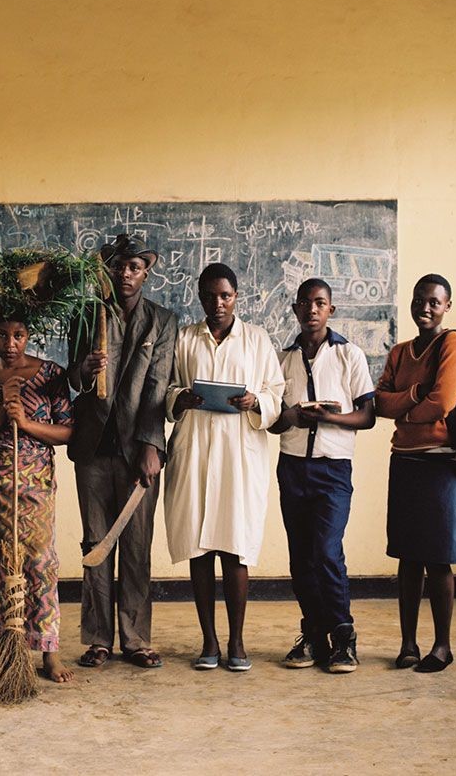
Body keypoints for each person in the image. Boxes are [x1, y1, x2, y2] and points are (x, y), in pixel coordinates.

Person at [164, 263, 284, 672]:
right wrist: (180, 398)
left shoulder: (256, 339)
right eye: (210, 296)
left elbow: (275, 393)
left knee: (235, 546)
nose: (218, 303)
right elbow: (166, 387)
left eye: (225, 296)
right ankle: (208, 641)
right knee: (200, 546)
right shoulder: (184, 339)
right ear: (199, 297)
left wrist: (256, 403)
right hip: (195, 448)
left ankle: (236, 641)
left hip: (239, 453)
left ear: (237, 297)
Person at [68, 233, 178, 669]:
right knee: (96, 544)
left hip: (138, 450)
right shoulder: (85, 315)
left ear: (145, 272)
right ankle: (97, 638)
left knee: (135, 545)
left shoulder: (162, 321)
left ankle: (136, 638)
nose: (125, 273)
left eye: (134, 267)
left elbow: (158, 386)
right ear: (106, 271)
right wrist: (83, 368)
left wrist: (153, 446)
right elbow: (72, 383)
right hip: (93, 449)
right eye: (117, 266)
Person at [269, 278, 375, 673]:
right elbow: (274, 422)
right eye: (305, 303)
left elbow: (367, 415)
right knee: (301, 557)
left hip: (332, 468)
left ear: (331, 309)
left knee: (327, 552)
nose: (312, 310)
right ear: (295, 309)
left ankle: (343, 637)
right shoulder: (284, 359)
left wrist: (329, 416)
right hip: (293, 467)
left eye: (320, 303)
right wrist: (293, 415)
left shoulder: (350, 355)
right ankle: (314, 634)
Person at [0, 319, 74, 683]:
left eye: (18, 335)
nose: (9, 343)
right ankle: (4, 647)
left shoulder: (51, 375)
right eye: (0, 334)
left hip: (34, 485)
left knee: (40, 562)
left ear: (29, 336)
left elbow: (67, 432)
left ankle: (48, 652)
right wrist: (2, 407)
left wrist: (26, 424)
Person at [375, 273, 456, 673]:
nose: (426, 308)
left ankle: (442, 646)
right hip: (406, 462)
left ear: (447, 306)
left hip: (442, 465)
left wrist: (407, 410)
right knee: (408, 558)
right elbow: (380, 402)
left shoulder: (452, 343)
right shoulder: (399, 352)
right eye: (420, 300)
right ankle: (408, 645)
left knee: (438, 559)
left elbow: (445, 400)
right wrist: (416, 397)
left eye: (435, 301)